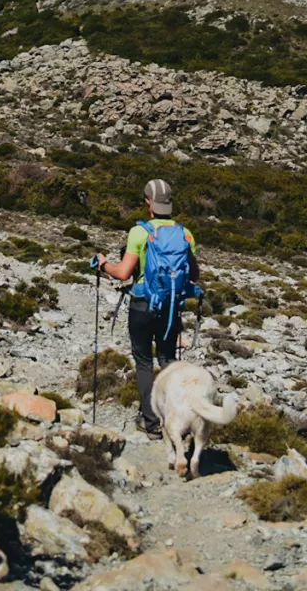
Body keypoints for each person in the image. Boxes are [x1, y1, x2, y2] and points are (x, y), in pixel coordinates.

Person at [97, 178, 199, 439]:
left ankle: (151, 423)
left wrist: (102, 264)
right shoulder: (185, 234)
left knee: (144, 362)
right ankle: (174, 420)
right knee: (168, 360)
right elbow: (194, 275)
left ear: (147, 204)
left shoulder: (139, 232)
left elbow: (122, 273)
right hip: (171, 308)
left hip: (142, 306)